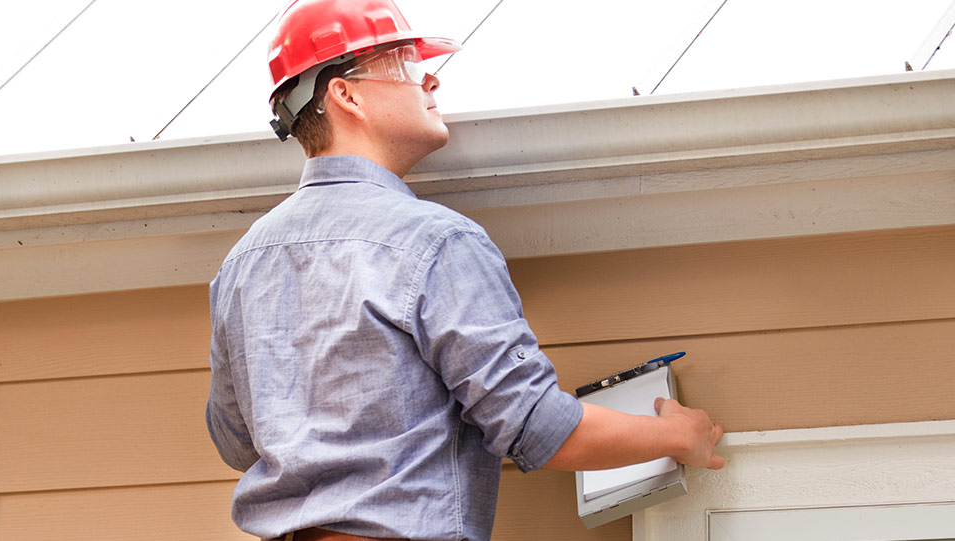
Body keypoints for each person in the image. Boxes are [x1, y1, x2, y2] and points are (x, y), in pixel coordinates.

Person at [206, 1, 725, 540]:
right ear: (346, 94)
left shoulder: (241, 266)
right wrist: (675, 436)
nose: (430, 77)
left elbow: (236, 442)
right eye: (406, 63)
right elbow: (534, 425)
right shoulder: (433, 241)